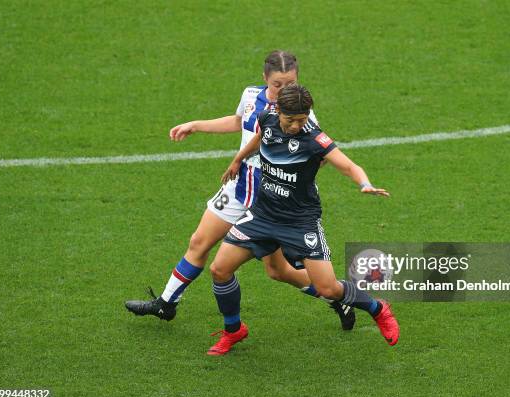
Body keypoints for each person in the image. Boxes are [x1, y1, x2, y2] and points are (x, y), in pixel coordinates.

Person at [125, 51, 355, 330]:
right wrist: (196, 125)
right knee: (199, 242)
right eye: (278, 85)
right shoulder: (250, 96)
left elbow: (317, 157)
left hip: (273, 198)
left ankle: (337, 297)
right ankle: (166, 303)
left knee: (278, 271)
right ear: (264, 79)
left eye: (291, 83)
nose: (285, 90)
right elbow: (238, 122)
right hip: (239, 186)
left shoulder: (302, 115)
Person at [207, 83, 399, 355]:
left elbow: (347, 164)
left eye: (303, 118)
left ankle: (377, 308)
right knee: (220, 269)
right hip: (263, 214)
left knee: (328, 288)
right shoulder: (267, 118)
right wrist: (238, 159)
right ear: (278, 111)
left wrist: (364, 183)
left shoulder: (314, 138)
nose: (297, 125)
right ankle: (234, 330)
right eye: (291, 119)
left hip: (300, 222)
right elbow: (260, 138)